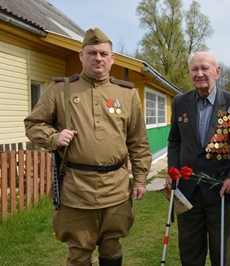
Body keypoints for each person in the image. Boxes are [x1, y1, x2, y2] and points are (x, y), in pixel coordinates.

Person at [24, 28, 152, 266]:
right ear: (81, 56)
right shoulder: (61, 89)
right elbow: (33, 124)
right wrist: (54, 137)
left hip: (116, 189)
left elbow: (138, 141)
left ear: (112, 58)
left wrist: (141, 179)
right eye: (92, 52)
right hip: (76, 188)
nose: (98, 58)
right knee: (79, 252)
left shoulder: (127, 94)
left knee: (112, 247)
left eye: (104, 53)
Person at [166, 51, 230, 265]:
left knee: (223, 253)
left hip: (222, 191)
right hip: (187, 192)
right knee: (190, 252)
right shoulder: (180, 102)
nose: (199, 73)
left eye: (204, 68)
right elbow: (175, 141)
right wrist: (173, 170)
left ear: (217, 72)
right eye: (194, 69)